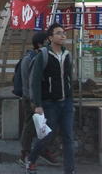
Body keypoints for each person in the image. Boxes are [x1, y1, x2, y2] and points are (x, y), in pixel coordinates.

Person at [26, 23, 75, 174]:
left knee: (68, 136)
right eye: (58, 33)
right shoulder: (44, 55)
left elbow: (68, 78)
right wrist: (38, 104)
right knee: (47, 135)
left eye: (64, 33)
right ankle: (32, 159)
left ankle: (70, 170)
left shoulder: (67, 54)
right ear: (50, 37)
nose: (62, 36)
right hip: (50, 103)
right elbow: (35, 81)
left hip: (65, 102)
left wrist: (70, 98)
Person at [16, 31, 59, 167]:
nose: (50, 43)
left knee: (44, 126)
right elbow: (30, 82)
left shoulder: (40, 56)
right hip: (32, 99)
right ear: (40, 43)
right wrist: (33, 100)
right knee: (30, 126)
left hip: (42, 98)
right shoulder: (30, 58)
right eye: (47, 41)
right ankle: (25, 153)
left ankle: (42, 149)